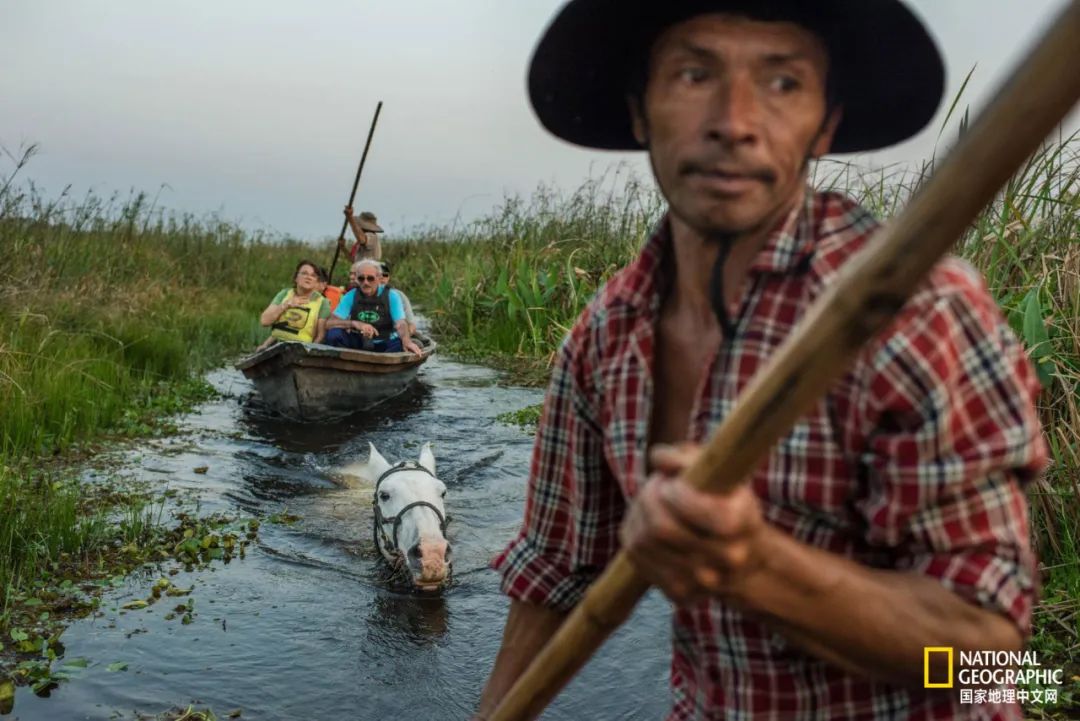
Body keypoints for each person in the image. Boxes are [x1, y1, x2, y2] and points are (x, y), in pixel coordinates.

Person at [476, 2, 1048, 720]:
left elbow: (997, 666)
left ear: (826, 125)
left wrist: (757, 566)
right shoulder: (604, 340)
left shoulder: (921, 311)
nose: (735, 121)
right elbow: (552, 579)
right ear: (639, 112)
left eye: (782, 84)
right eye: (693, 73)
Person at [325, 259, 422, 355]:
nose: (365, 283)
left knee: (402, 344)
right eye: (361, 278)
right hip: (358, 340)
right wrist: (355, 324)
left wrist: (407, 341)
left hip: (385, 342)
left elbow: (401, 323)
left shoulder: (392, 296)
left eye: (370, 278)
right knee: (334, 334)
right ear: (356, 279)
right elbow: (329, 323)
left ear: (379, 278)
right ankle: (346, 360)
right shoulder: (351, 296)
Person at [258, 260, 330, 347]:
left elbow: (320, 336)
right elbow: (264, 321)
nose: (309, 277)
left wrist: (309, 352)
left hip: (302, 348)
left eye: (313, 275)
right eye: (304, 273)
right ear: (296, 278)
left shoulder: (323, 302)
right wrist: (286, 305)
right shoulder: (284, 294)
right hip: (276, 344)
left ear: (316, 282)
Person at [379, 260, 418, 337]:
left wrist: (406, 336)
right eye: (378, 275)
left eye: (385, 275)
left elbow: (411, 323)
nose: (382, 277)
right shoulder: (360, 294)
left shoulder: (399, 295)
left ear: (388, 278)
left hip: (394, 336)